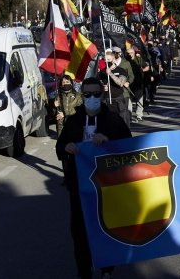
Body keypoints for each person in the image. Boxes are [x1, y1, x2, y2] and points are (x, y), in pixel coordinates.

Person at [56, 77, 132, 279]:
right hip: (80, 187)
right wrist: (67, 147)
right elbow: (59, 148)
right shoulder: (74, 120)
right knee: (80, 233)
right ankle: (84, 270)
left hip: (107, 187)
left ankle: (107, 269)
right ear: (82, 96)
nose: (92, 98)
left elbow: (129, 147)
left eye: (96, 94)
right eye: (87, 94)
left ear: (102, 94)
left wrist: (108, 141)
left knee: (106, 228)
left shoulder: (113, 119)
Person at [98, 49, 130, 127]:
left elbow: (120, 83)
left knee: (123, 120)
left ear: (113, 59)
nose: (107, 62)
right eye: (105, 60)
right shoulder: (101, 72)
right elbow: (98, 84)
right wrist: (102, 86)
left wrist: (111, 74)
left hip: (118, 99)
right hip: (107, 99)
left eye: (109, 60)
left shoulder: (121, 70)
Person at [126, 47, 146, 122]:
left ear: (134, 53)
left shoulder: (139, 59)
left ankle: (139, 115)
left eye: (130, 53)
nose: (129, 54)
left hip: (138, 82)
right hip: (129, 83)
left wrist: (143, 70)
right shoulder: (125, 60)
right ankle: (129, 116)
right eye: (127, 53)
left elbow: (147, 67)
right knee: (129, 100)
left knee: (139, 98)